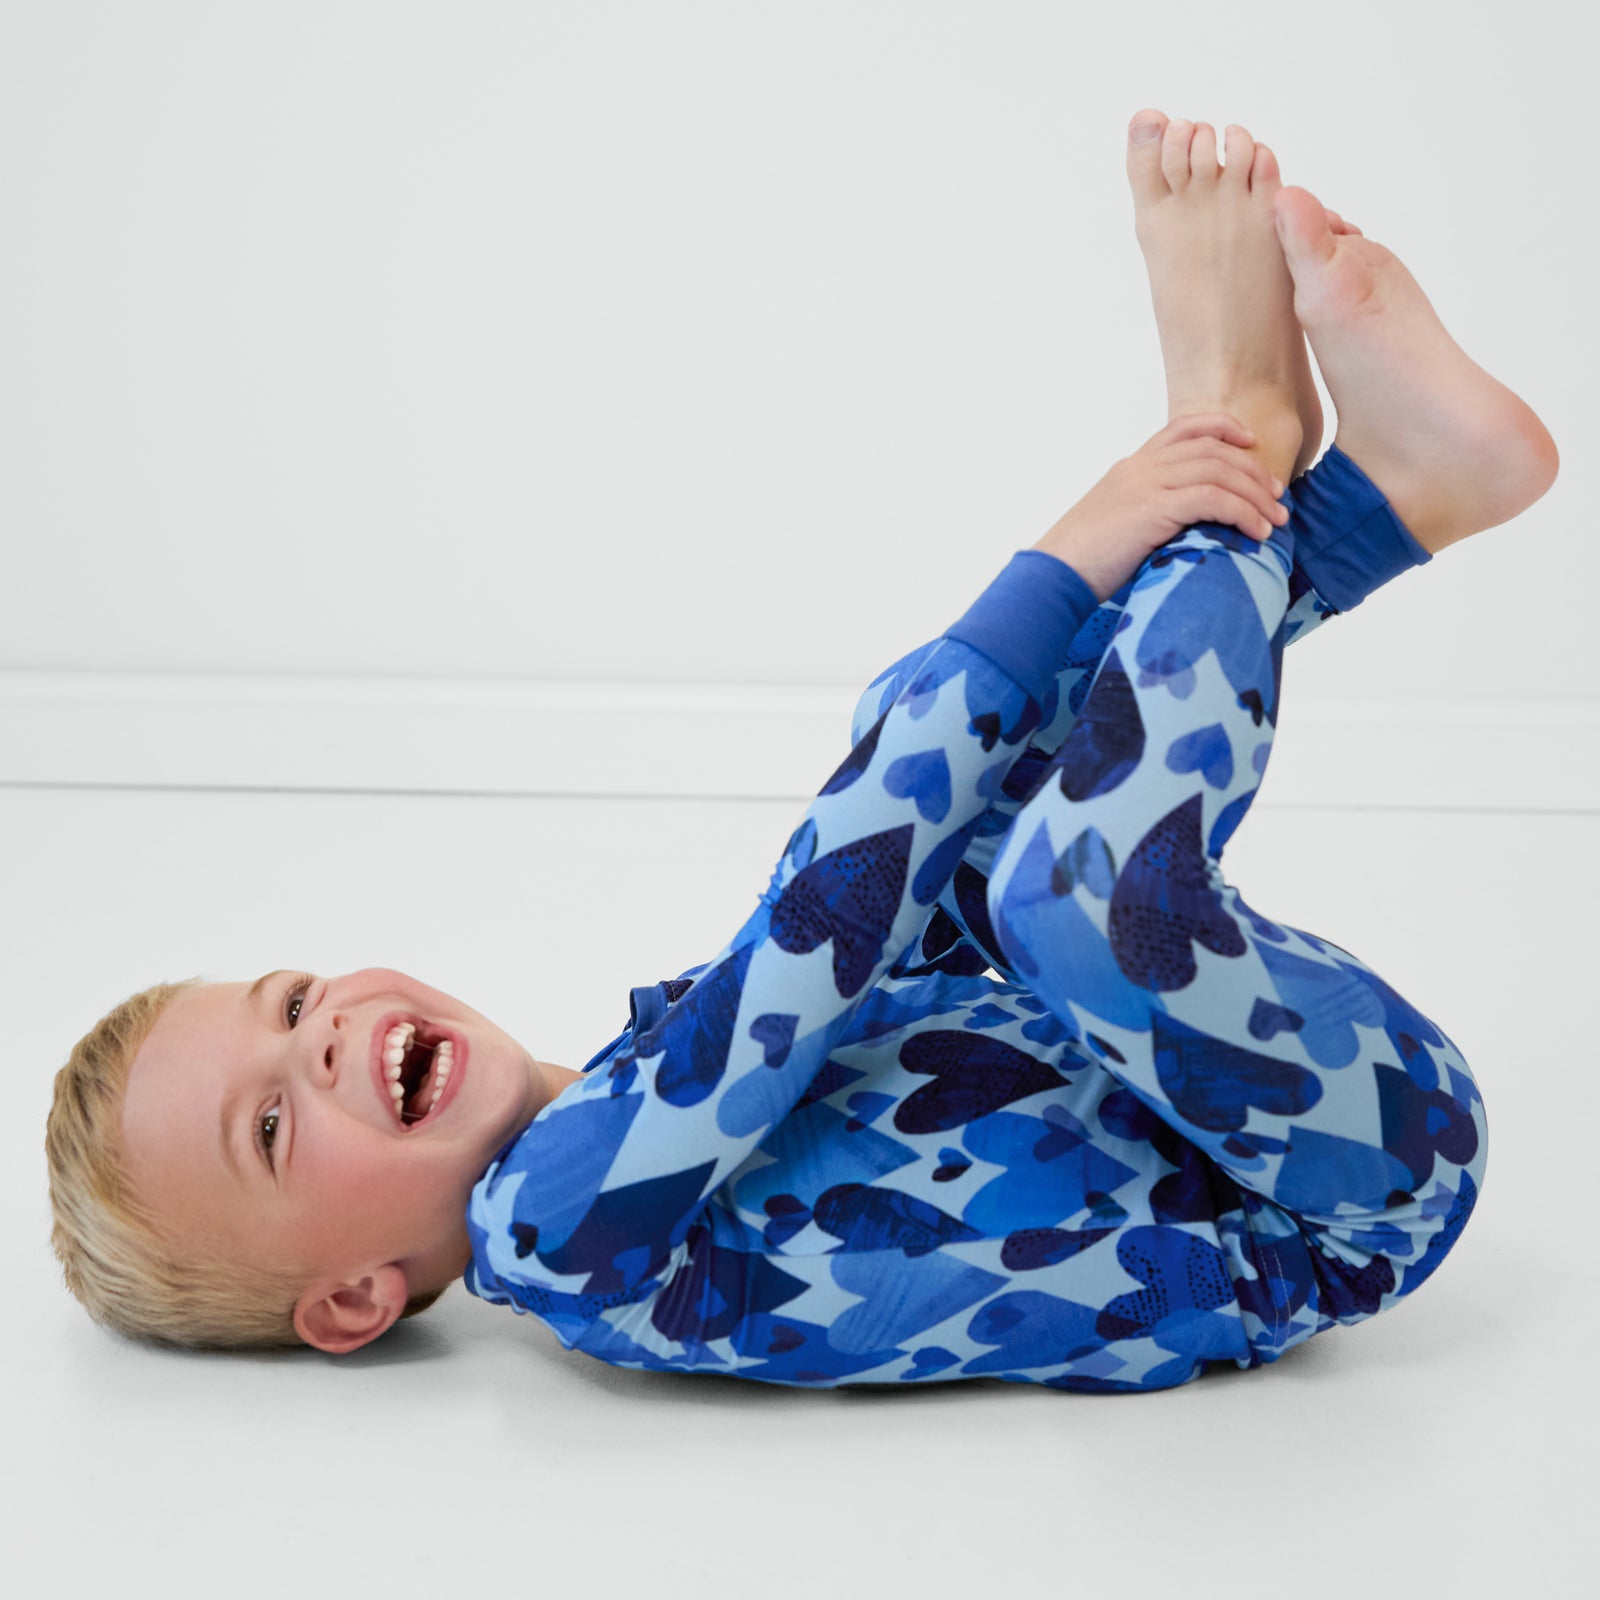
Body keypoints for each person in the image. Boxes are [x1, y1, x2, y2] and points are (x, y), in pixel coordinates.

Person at [46, 111, 1556, 1388]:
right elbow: (825, 914)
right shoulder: (552, 1240)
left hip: (1201, 1081)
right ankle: (1239, 434)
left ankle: (1386, 493)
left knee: (952, 847)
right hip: (1339, 1188)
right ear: (356, 1299)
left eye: (290, 1000)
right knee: (1033, 889)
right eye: (268, 1125)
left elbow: (880, 886)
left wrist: (1038, 632)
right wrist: (1079, 545)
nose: (312, 1042)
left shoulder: (647, 1062)